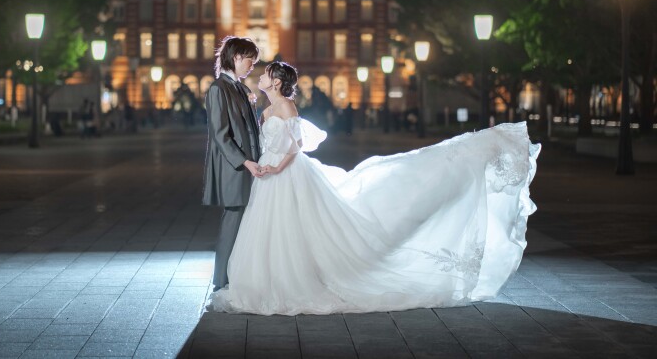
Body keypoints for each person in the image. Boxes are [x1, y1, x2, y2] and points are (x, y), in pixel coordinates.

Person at [209, 61, 540, 315]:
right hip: (268, 176)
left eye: (266, 74)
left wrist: (274, 167)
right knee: (271, 229)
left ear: (276, 82)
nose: (261, 76)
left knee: (297, 226)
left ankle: (297, 279)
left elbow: (295, 147)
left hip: (285, 172)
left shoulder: (286, 108)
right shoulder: (265, 108)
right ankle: (268, 279)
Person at [202, 36, 264, 292]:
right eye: (250, 59)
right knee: (233, 220)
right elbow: (220, 134)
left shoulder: (239, 87)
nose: (252, 65)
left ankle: (234, 277)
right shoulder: (218, 89)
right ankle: (220, 281)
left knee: (243, 220)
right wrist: (245, 162)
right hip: (234, 167)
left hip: (248, 164)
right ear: (236, 56)